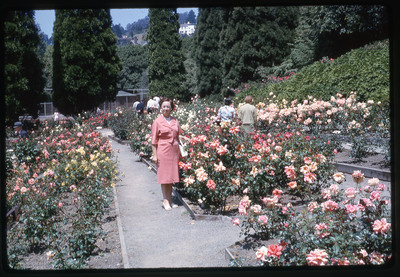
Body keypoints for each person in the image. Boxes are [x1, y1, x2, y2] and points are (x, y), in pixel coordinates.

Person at [151, 98, 189, 211]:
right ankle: (165, 200)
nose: (166, 108)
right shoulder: (157, 121)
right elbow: (154, 140)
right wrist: (154, 155)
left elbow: (177, 135)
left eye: (168, 106)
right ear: (160, 108)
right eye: (164, 106)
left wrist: (184, 138)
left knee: (171, 176)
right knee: (164, 177)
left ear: (171, 108)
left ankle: (171, 200)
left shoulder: (175, 120)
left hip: (174, 152)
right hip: (163, 151)